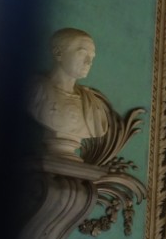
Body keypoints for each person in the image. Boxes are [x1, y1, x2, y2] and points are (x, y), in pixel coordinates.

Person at [30, 28, 111, 159]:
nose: (88, 62)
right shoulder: (35, 91)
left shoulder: (93, 105)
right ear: (58, 53)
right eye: (82, 53)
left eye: (92, 57)